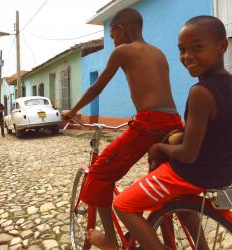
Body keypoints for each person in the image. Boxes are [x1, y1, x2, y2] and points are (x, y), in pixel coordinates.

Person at [113, 15, 232, 249]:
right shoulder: (231, 85)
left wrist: (159, 148)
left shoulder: (200, 92)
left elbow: (188, 155)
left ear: (222, 46)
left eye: (197, 48)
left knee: (123, 205)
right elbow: (214, 133)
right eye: (182, 50)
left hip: (191, 174)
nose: (188, 57)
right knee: (176, 200)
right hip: (221, 173)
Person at [63, 8, 183, 250]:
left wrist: (72, 111)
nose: (112, 40)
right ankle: (161, 236)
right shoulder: (158, 53)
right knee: (160, 185)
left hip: (149, 123)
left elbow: (97, 87)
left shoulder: (123, 51)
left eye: (111, 35)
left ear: (120, 29)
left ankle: (109, 239)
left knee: (98, 175)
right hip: (173, 123)